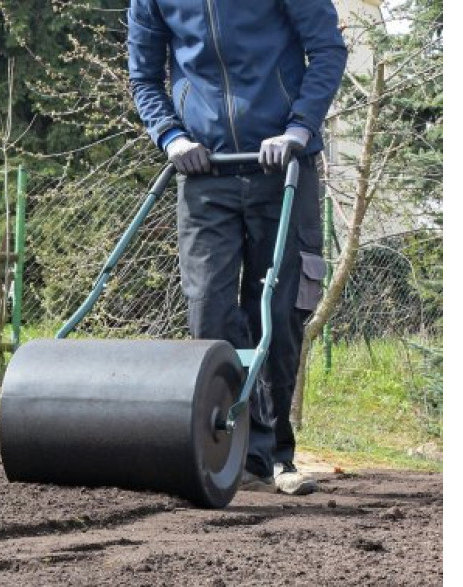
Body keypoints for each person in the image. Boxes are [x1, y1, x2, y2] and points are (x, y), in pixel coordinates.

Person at [127, 0, 347, 493]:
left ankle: (273, 457)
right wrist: (171, 137)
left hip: (282, 166)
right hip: (205, 171)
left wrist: (298, 127)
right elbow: (143, 76)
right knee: (209, 314)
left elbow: (328, 49)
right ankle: (226, 449)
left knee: (279, 314)